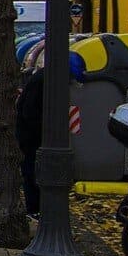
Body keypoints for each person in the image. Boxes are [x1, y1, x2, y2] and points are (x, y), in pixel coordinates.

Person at [17, 51, 87, 217]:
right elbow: (30, 112)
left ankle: (38, 208)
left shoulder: (43, 79)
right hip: (32, 137)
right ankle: (35, 209)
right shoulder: (43, 82)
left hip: (33, 134)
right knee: (33, 172)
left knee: (34, 171)